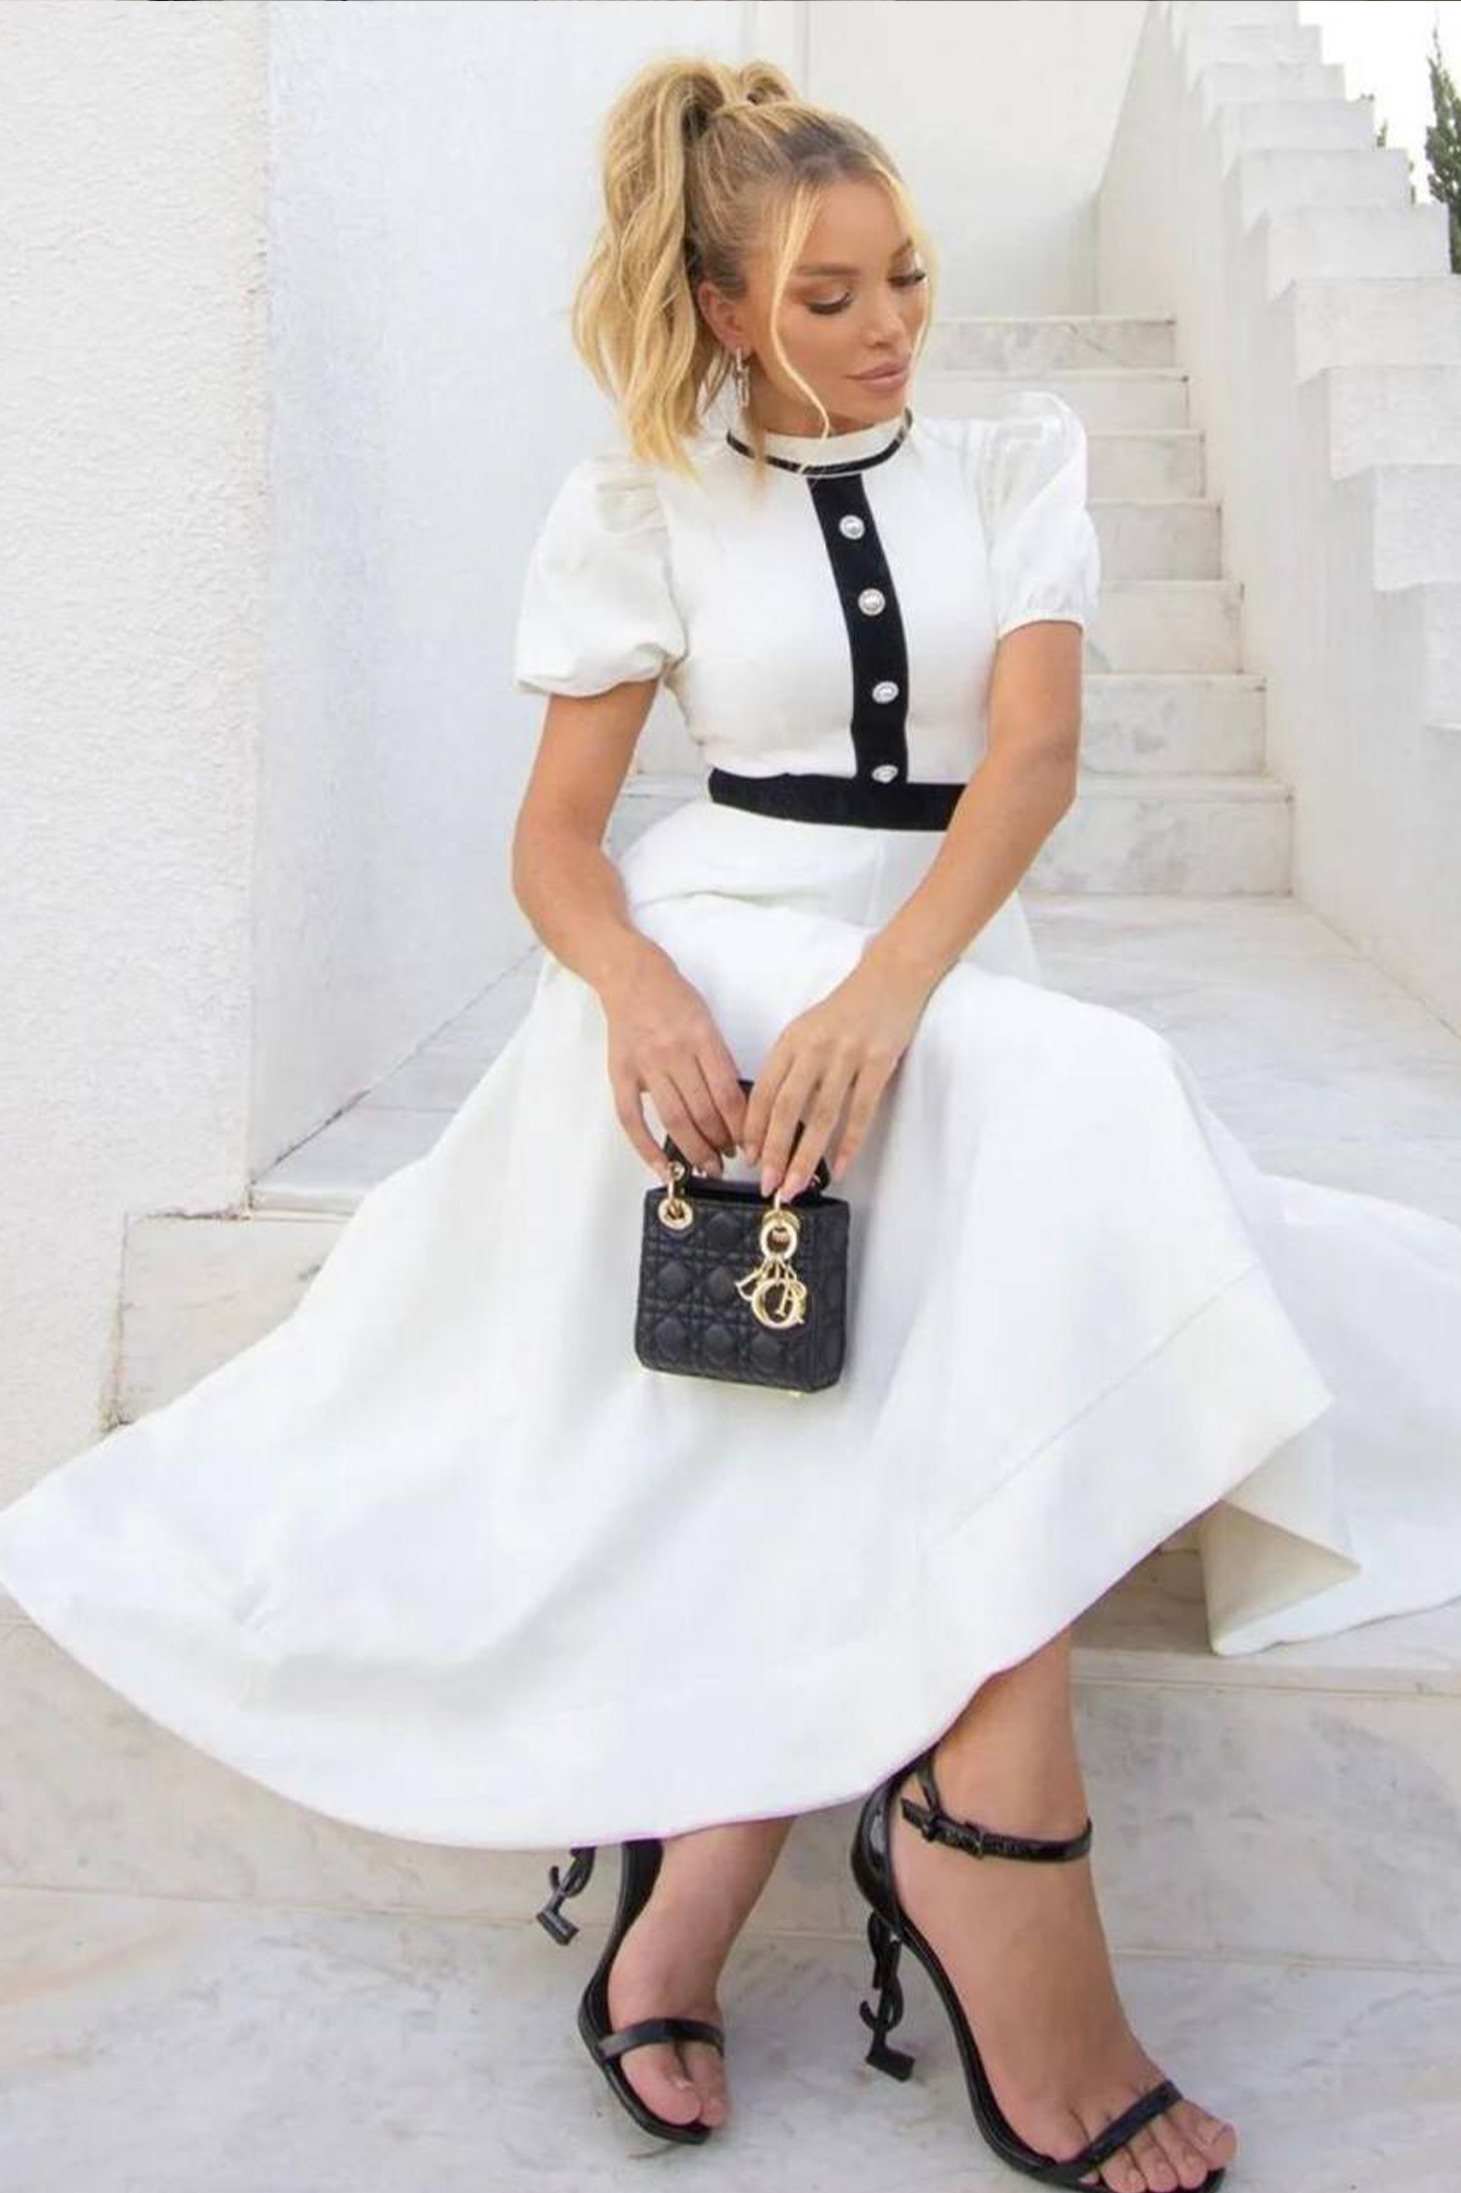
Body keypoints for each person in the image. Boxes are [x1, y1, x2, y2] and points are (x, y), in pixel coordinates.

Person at [2, 49, 1460, 2193]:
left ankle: (722, 1868)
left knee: (1053, 1108)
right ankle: (970, 1819)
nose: (888, 328)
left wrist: (896, 980)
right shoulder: (641, 506)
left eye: (905, 278)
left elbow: (1031, 762)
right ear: (718, 309)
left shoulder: (1014, 461)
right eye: (828, 294)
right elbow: (557, 842)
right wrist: (634, 984)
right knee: (982, 1164)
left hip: (933, 954)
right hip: (718, 951)